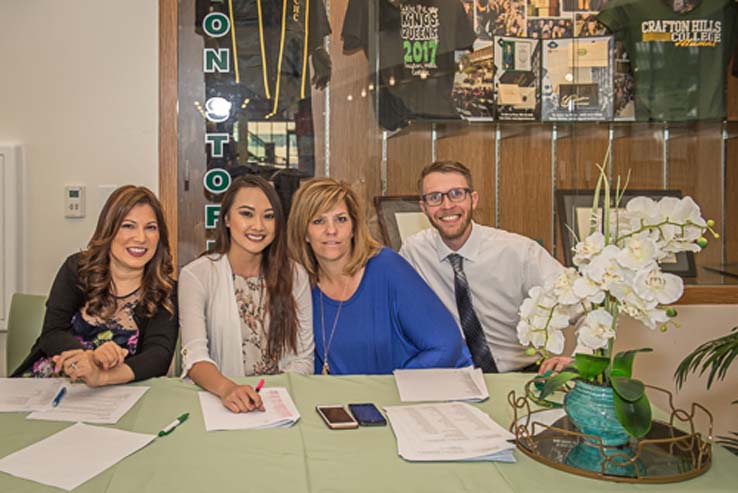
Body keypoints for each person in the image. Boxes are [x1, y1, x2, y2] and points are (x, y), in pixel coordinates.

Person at [400, 161, 572, 374]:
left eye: (456, 193)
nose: (446, 205)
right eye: (435, 197)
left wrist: (579, 359)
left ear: (473, 200)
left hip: (519, 374)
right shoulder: (414, 251)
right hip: (452, 378)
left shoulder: (519, 252)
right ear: (423, 207)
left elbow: (583, 305)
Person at [287, 177, 472, 375]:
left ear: (353, 228)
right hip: (342, 401)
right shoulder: (299, 285)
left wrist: (392, 387)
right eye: (318, 221)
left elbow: (446, 346)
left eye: (341, 219)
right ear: (304, 233)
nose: (331, 230)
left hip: (415, 395)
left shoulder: (386, 267)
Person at [13, 186, 178, 386]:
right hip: (50, 383)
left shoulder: (166, 290)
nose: (141, 238)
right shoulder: (77, 269)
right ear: (109, 229)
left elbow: (158, 356)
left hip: (116, 392)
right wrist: (89, 358)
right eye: (128, 226)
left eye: (150, 227)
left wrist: (103, 376)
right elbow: (52, 333)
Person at [179, 175, 313, 413]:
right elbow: (194, 357)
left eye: (269, 216)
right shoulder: (196, 275)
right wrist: (228, 389)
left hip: (279, 402)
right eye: (247, 214)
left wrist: (272, 398)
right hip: (219, 401)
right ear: (227, 219)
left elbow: (303, 358)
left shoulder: (295, 275)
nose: (259, 226)